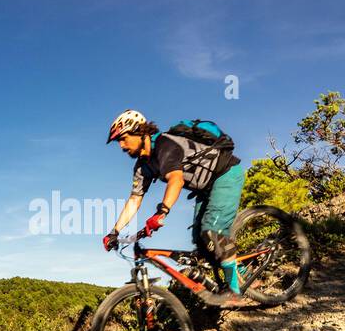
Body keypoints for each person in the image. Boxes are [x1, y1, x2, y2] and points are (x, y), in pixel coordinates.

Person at [102, 109, 248, 301]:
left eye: (123, 138)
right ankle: (242, 271)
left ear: (138, 131)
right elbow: (134, 199)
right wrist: (114, 232)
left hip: (225, 175)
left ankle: (235, 293)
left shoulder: (164, 145)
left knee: (212, 232)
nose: (121, 145)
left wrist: (161, 213)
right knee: (201, 241)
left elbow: (176, 180)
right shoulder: (142, 166)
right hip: (205, 188)